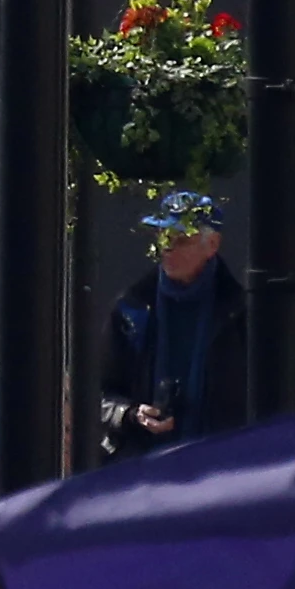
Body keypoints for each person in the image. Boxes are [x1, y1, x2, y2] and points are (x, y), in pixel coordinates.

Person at [96, 194, 239, 459]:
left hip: (221, 472)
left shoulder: (240, 315)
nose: (168, 249)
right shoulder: (131, 310)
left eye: (182, 240)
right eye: (164, 238)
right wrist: (130, 414)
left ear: (212, 245)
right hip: (143, 472)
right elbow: (99, 396)